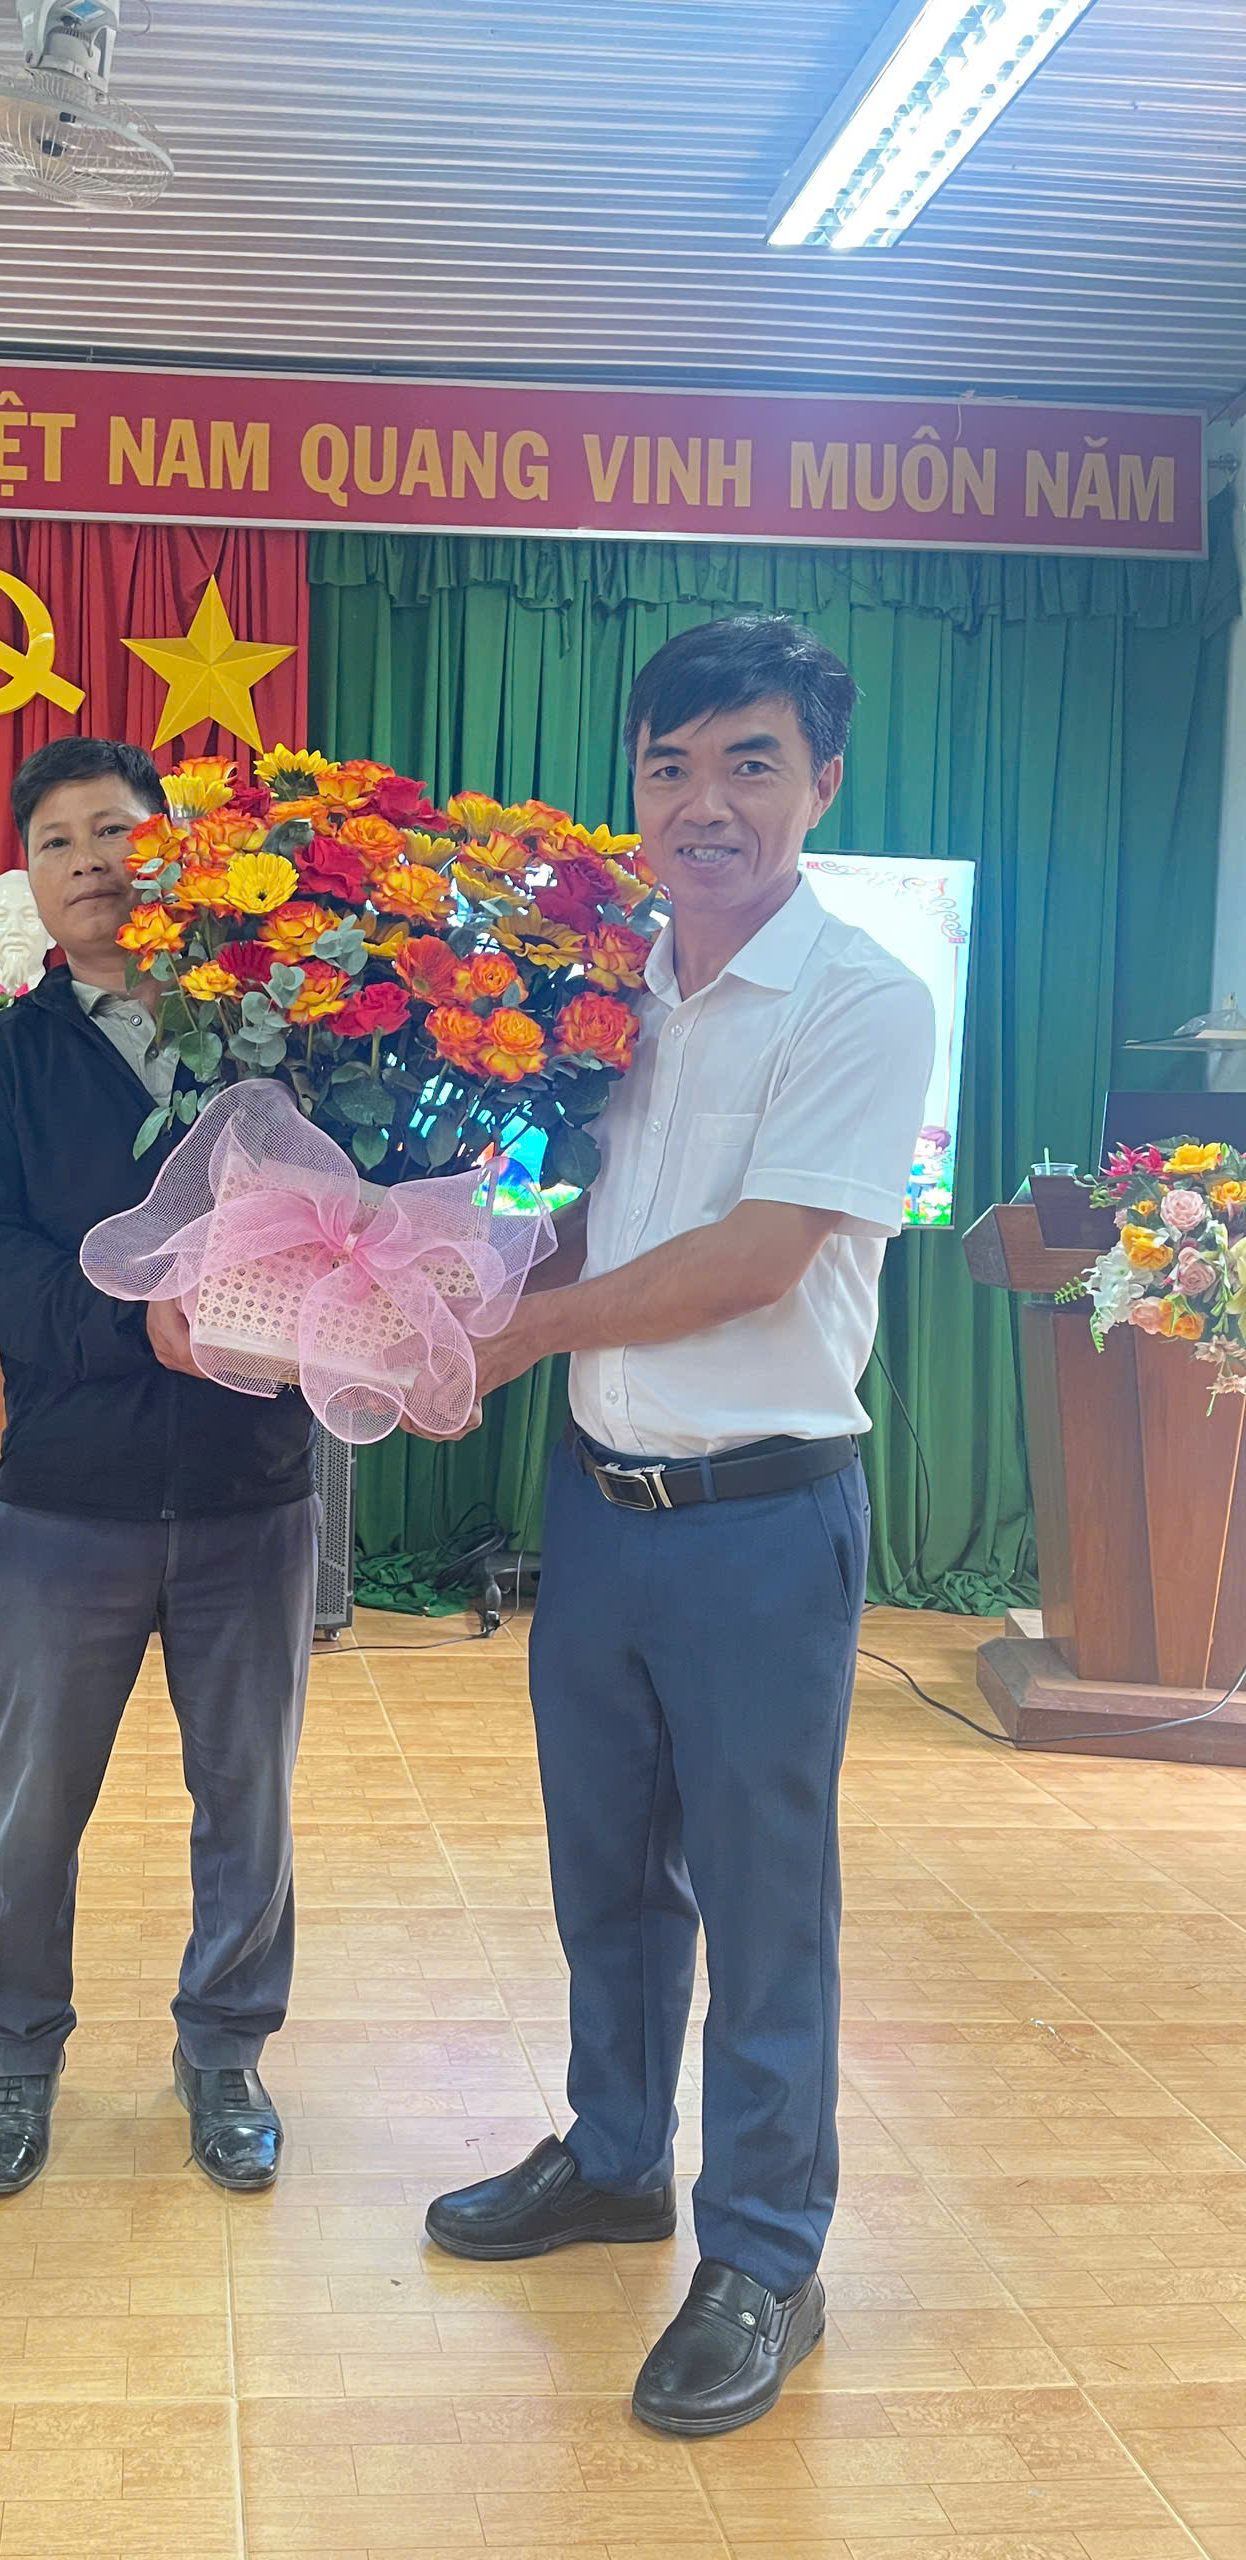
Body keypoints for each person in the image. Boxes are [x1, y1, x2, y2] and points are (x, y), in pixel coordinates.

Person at [422, 618, 936, 2437]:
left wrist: (525, 1332)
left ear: (822, 784)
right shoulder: (607, 985)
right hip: (602, 1504)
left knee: (764, 1898)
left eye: (750, 763)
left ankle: (769, 2254)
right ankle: (619, 2157)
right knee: (607, 1873)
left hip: (760, 1521)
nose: (705, 803)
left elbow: (756, 1255)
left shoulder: (862, 996)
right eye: (671, 766)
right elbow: (590, 1218)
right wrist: (448, 1292)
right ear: (634, 785)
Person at [0, 737, 317, 2198]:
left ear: (171, 857)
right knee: (27, 1810)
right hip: (64, 1504)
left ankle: (226, 2049)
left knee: (248, 1801)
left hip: (253, 1491)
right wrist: (131, 1325)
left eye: (117, 833)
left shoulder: (272, 1040)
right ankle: (16, 2055)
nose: (91, 861)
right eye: (58, 841)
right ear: (29, 881)